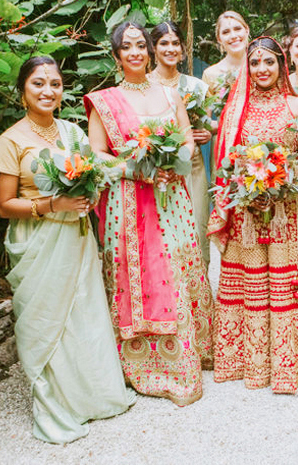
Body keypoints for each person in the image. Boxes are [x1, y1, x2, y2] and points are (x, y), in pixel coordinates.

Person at [0, 56, 134, 443]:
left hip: (77, 236)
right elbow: (4, 205)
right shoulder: (10, 141)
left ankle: (92, 397)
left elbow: (92, 175)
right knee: (45, 322)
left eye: (54, 84)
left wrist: (89, 195)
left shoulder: (72, 132)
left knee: (83, 313)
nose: (47, 91)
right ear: (23, 90)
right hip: (38, 240)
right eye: (38, 83)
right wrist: (53, 205)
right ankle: (55, 405)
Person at [85, 22, 214, 406]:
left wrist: (178, 159)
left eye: (141, 45)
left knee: (177, 264)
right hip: (129, 201)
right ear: (116, 56)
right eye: (127, 47)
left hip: (171, 194)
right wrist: (136, 167)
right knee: (140, 272)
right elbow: (96, 154)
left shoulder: (168, 91)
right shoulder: (104, 101)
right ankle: (143, 365)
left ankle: (189, 355)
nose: (136, 52)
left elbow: (187, 137)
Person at [207, 36, 298, 393]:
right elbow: (229, 161)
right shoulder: (237, 109)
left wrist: (279, 183)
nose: (262, 69)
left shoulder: (296, 107)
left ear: (281, 65)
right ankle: (249, 362)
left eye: (269, 62)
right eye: (255, 63)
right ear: (247, 68)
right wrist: (251, 189)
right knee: (252, 282)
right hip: (248, 212)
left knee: (290, 284)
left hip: (292, 211)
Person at [149, 21, 212, 268]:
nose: (171, 48)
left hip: (192, 169)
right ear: (153, 48)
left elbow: (207, 125)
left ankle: (198, 299)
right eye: (164, 43)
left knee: (196, 229)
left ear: (183, 49)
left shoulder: (197, 87)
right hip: (158, 172)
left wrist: (205, 134)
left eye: (176, 43)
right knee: (161, 236)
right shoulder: (143, 86)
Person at [202, 10, 250, 107]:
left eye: (237, 29)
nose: (233, 36)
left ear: (247, 30)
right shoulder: (210, 74)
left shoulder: (262, 67)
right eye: (226, 32)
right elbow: (206, 119)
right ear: (219, 39)